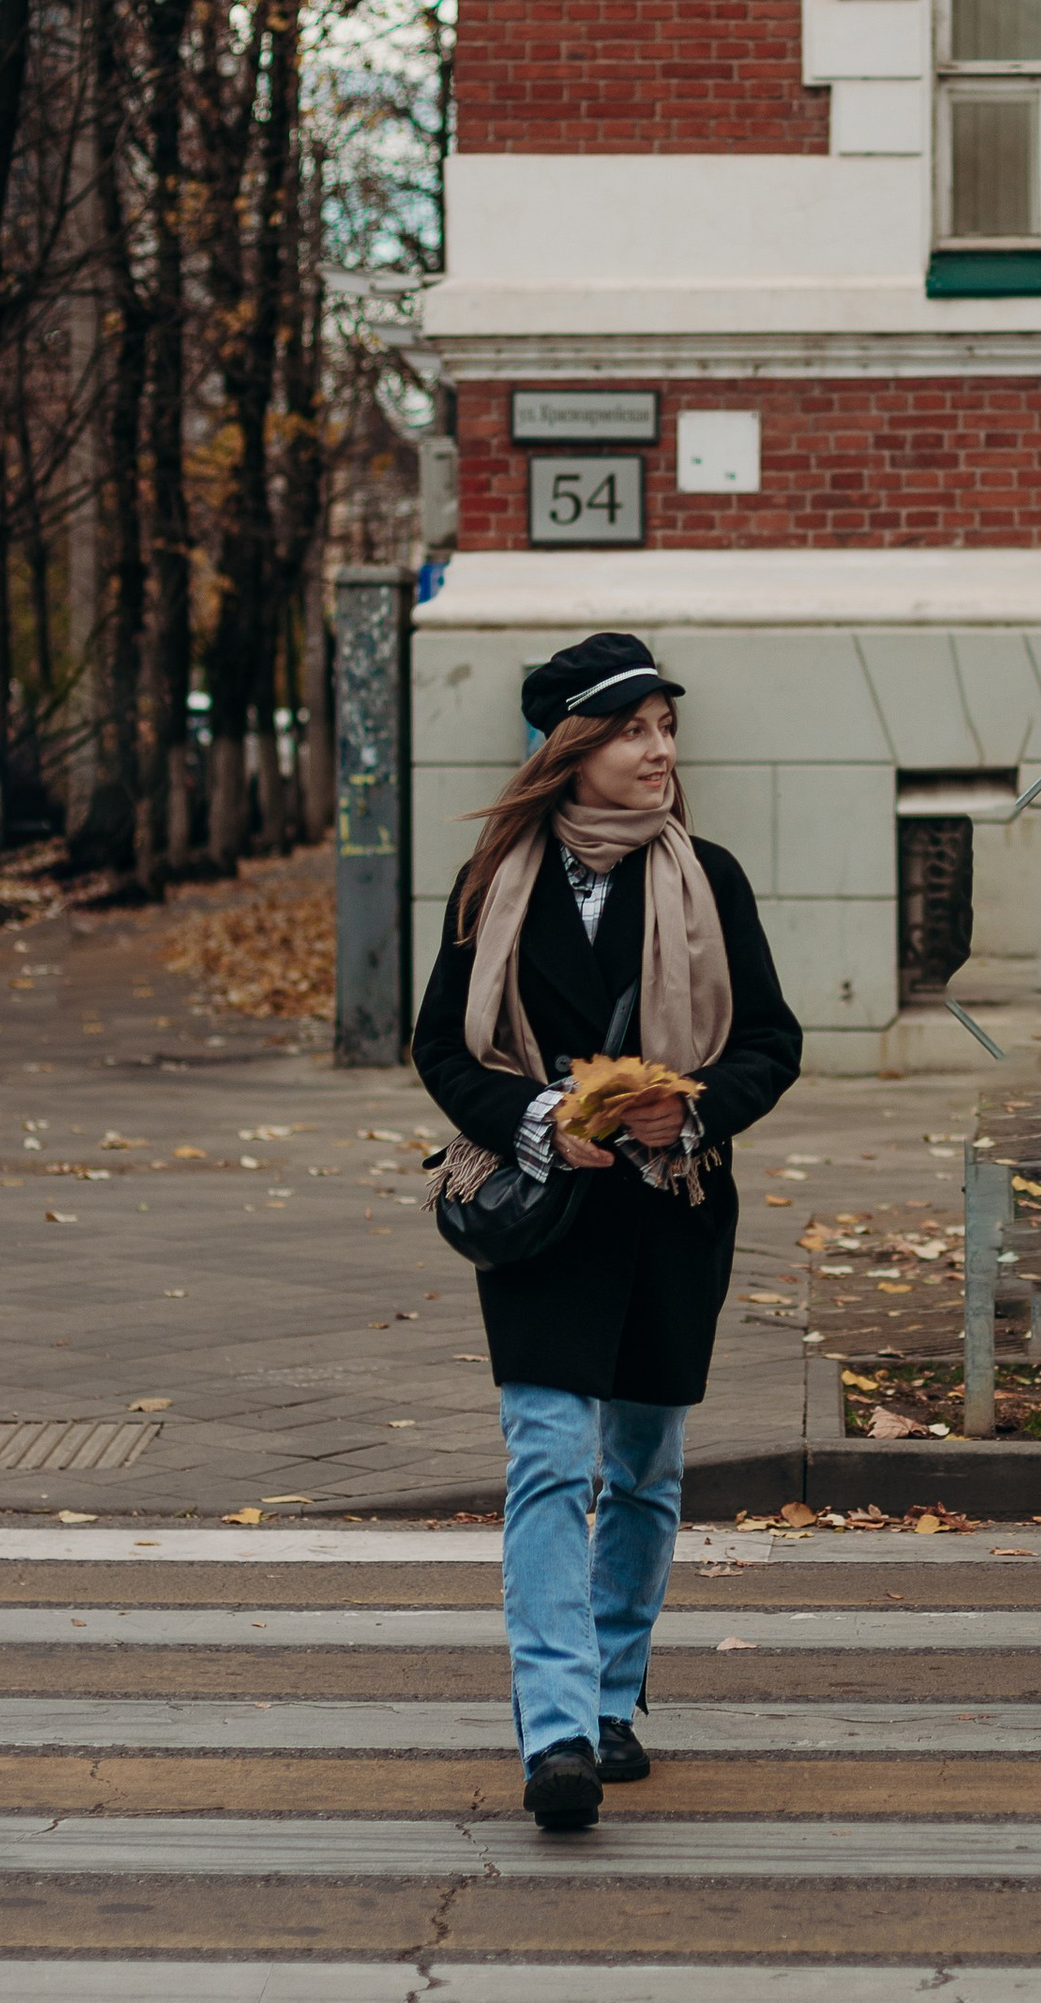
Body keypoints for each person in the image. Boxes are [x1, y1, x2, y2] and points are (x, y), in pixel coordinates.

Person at [413, 631, 801, 1831]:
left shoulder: (709, 878)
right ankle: (557, 1730)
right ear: (573, 749)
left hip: (670, 1212)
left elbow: (771, 1044)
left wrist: (681, 1113)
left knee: (640, 1470)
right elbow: (439, 1047)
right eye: (635, 730)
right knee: (546, 1464)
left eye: (667, 729)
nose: (660, 751)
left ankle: (615, 1691)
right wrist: (540, 1116)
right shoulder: (490, 882)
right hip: (545, 1221)